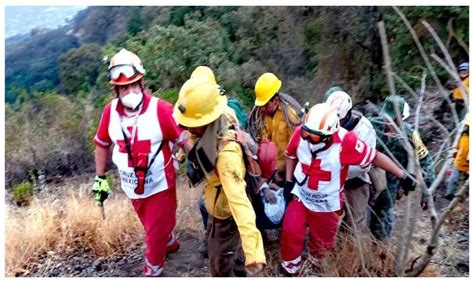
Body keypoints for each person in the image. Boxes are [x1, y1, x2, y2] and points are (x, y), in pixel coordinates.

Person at [280, 102, 417, 276]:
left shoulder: (346, 142)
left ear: (328, 135)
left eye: (312, 137)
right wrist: (288, 181)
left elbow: (374, 156)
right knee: (290, 230)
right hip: (301, 195)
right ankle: (289, 270)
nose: (306, 138)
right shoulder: (302, 132)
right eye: (306, 132)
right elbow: (291, 155)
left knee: (321, 247)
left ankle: (315, 270)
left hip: (326, 206)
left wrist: (402, 175)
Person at [91, 49, 182, 276]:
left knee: (153, 237)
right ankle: (168, 241)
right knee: (151, 225)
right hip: (133, 187)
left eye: (133, 85)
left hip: (161, 183)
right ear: (116, 90)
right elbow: (102, 144)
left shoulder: (160, 109)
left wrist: (202, 162)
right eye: (123, 87)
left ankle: (153, 269)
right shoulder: (109, 113)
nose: (129, 91)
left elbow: (183, 138)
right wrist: (99, 178)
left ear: (142, 84)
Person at [173, 78, 266, 276]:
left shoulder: (227, 157)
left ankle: (235, 265)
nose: (187, 128)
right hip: (215, 201)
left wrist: (254, 253)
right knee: (229, 248)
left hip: (225, 212)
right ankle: (239, 266)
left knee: (218, 264)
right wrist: (179, 157)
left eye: (192, 124)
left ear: (207, 120)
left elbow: (240, 205)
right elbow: (193, 138)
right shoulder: (219, 115)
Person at [368, 95, 435, 241]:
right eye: (386, 117)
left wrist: (428, 191)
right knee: (364, 219)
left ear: (401, 118)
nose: (388, 122)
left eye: (393, 118)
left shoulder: (410, 135)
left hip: (391, 187)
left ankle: (380, 251)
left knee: (383, 223)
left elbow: (426, 159)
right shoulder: (372, 126)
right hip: (369, 182)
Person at [325, 89, 376, 232]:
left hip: (355, 181)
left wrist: (338, 169)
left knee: (354, 223)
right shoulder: (327, 123)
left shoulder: (364, 129)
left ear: (347, 115)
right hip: (330, 181)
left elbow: (364, 165)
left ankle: (350, 248)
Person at [248, 72, 302, 202]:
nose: (261, 109)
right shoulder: (261, 116)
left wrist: (284, 175)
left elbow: (296, 151)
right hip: (267, 172)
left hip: (286, 173)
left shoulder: (290, 117)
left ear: (276, 101)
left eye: (265, 105)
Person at [445, 112, 469, 200]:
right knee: (453, 180)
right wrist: (454, 156)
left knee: (465, 184)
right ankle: (449, 194)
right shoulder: (463, 136)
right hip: (459, 162)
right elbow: (458, 148)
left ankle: (463, 197)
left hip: (468, 166)